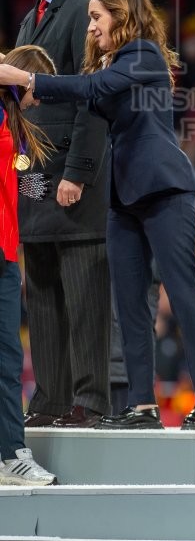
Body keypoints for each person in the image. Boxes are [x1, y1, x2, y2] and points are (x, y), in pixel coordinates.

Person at [0, 0, 195, 430]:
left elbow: (92, 87)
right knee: (130, 303)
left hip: (164, 192)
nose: (90, 26)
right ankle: (142, 406)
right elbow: (87, 101)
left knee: (182, 292)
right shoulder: (112, 64)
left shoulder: (143, 55)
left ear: (122, 16)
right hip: (122, 199)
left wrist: (30, 78)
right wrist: (34, 92)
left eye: (97, 17)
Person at [8, 0, 111, 428]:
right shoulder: (30, 22)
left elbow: (94, 98)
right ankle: (50, 400)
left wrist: (78, 172)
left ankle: (90, 401)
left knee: (84, 292)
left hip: (69, 180)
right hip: (33, 178)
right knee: (43, 289)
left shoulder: (83, 11)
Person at [0, 45, 57, 484]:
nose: (39, 100)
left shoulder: (17, 127)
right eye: (37, 89)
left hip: (5, 256)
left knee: (7, 358)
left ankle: (10, 455)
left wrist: (63, 183)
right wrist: (20, 76)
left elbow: (25, 187)